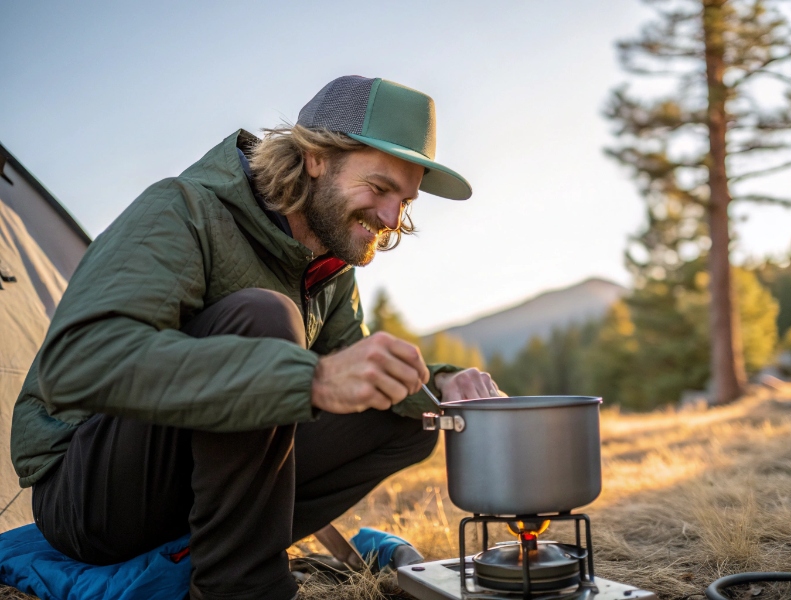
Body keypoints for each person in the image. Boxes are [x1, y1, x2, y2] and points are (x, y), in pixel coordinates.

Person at [10, 75, 503, 600]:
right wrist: (307, 378)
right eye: (380, 188)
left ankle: (230, 550)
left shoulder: (328, 265)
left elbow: (348, 363)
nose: (390, 218)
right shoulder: (185, 210)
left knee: (406, 413)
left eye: (404, 201)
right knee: (263, 318)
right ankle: (242, 587)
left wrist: (442, 383)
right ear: (316, 156)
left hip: (193, 493)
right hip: (91, 496)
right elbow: (77, 363)